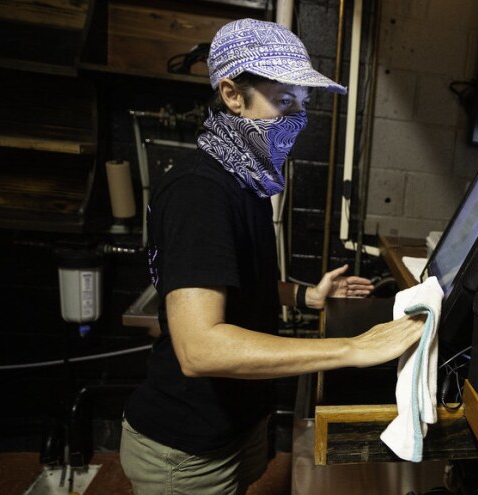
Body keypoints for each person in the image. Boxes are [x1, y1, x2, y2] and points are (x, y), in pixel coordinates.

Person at [119, 18, 425, 495]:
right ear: (231, 94)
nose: (297, 119)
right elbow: (200, 348)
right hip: (187, 447)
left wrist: (308, 297)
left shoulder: (247, 178)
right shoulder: (200, 190)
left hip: (238, 422)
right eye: (283, 101)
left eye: (301, 105)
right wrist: (353, 349)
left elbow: (234, 279)